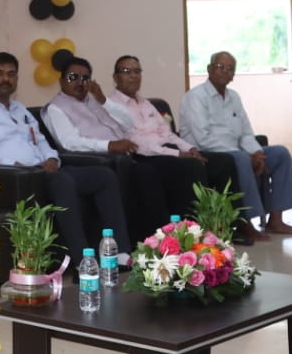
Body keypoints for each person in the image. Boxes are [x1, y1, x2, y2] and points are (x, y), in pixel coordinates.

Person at [0, 53, 129, 271]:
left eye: (11, 74)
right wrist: (12, 163)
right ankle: (82, 263)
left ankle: (118, 253)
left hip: (45, 169)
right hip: (16, 177)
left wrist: (52, 157)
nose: (6, 79)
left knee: (104, 177)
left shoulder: (19, 109)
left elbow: (40, 140)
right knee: (63, 182)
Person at [43, 56, 191, 245]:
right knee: (147, 174)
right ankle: (157, 240)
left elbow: (128, 123)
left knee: (173, 167)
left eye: (85, 78)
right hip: (98, 161)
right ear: (61, 81)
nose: (80, 82)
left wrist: (103, 100)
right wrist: (109, 145)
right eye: (73, 77)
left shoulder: (93, 101)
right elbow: (70, 143)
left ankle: (179, 235)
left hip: (124, 156)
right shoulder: (55, 108)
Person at [105, 55, 249, 244]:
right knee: (192, 166)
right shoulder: (111, 106)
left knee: (223, 161)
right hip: (145, 156)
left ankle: (230, 227)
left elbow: (168, 133)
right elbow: (138, 142)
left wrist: (190, 148)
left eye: (137, 71)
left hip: (167, 150)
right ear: (115, 77)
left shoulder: (145, 103)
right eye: (126, 71)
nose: (133, 76)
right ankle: (193, 232)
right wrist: (179, 154)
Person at [179, 51, 292, 237]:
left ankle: (276, 221)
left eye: (230, 68)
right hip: (205, 154)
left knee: (280, 153)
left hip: (236, 152)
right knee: (241, 158)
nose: (225, 71)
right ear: (209, 69)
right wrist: (247, 157)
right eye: (220, 67)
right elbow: (203, 138)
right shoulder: (195, 97)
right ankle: (245, 224)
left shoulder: (234, 97)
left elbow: (246, 133)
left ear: (233, 75)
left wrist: (257, 154)